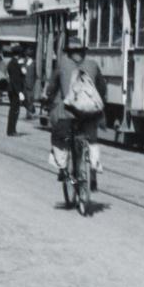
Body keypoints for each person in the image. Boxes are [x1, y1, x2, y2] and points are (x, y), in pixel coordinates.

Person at [43, 33, 106, 192]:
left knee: (59, 138)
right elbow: (102, 87)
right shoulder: (93, 64)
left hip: (68, 114)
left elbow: (52, 86)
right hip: (90, 114)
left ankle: (63, 168)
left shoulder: (63, 64)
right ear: (83, 51)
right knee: (92, 140)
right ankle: (93, 170)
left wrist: (47, 96)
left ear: (68, 52)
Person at [5, 52, 26, 136]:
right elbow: (15, 80)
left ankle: (11, 130)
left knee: (13, 110)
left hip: (12, 89)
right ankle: (11, 131)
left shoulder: (12, 63)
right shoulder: (14, 64)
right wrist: (19, 92)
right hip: (14, 90)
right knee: (14, 111)